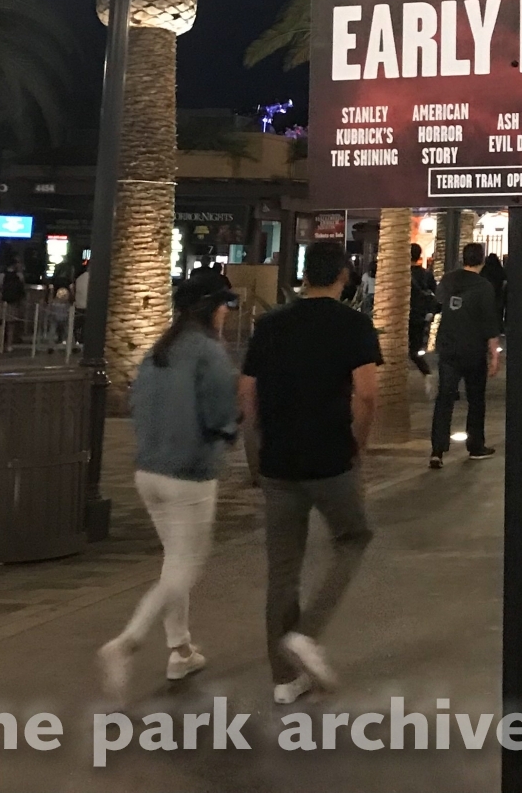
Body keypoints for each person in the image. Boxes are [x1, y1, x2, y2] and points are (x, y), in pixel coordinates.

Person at [238, 241, 380, 705]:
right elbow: (367, 393)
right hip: (329, 456)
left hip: (278, 459)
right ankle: (307, 633)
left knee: (282, 570)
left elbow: (247, 389)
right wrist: (358, 443)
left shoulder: (272, 324)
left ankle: (283, 681)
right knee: (353, 537)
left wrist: (257, 447)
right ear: (343, 276)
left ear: (303, 276)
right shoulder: (353, 324)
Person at [97, 275, 240, 704]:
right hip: (189, 473)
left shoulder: (159, 350)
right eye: (225, 305)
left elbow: (136, 405)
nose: (228, 312)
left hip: (149, 471)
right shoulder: (209, 353)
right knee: (185, 567)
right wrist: (233, 430)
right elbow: (221, 413)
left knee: (173, 563)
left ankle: (180, 650)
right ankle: (127, 642)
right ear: (212, 307)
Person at [429, 242, 501, 468]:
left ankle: (437, 450)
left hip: (448, 347)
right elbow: (490, 323)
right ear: (482, 260)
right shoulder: (484, 286)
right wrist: (495, 356)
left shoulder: (449, 279)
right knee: (476, 399)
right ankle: (475, 445)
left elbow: (438, 303)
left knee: (445, 398)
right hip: (473, 349)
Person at [408, 242, 438, 376]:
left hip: (403, 314)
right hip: (420, 315)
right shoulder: (426, 274)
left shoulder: (400, 276)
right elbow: (436, 293)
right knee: (415, 348)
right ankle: (427, 373)